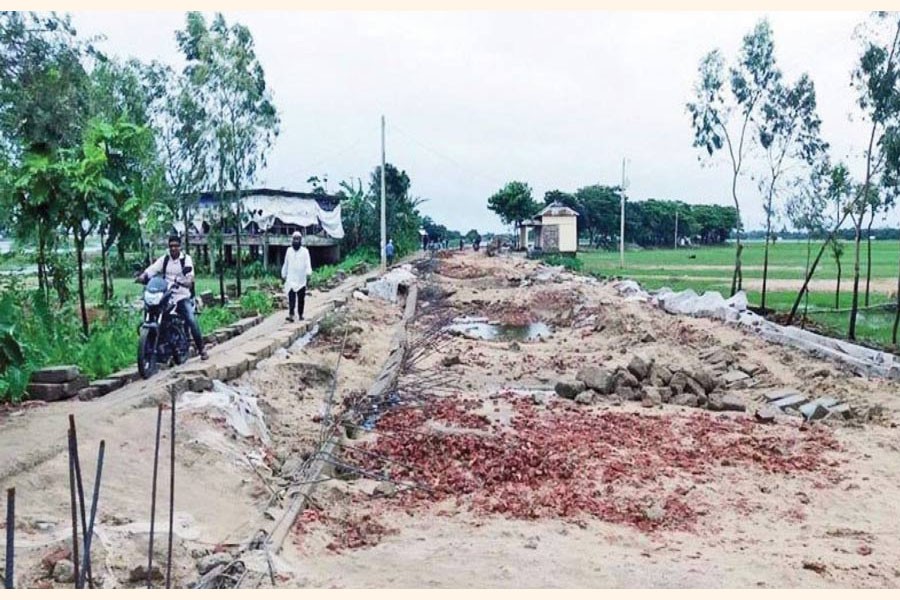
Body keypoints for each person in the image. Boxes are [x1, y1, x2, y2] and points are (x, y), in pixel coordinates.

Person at [136, 234, 208, 360]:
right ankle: (153, 347)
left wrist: (184, 282)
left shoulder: (186, 260)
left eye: (176, 246)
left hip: (181, 295)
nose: (173, 248)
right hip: (165, 294)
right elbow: (152, 270)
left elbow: (190, 278)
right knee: (151, 311)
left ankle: (201, 349)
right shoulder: (164, 259)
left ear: (180, 247)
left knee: (190, 318)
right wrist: (143, 276)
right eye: (171, 246)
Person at [282, 231, 311, 322]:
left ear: (300, 240)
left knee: (301, 299)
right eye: (294, 239)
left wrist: (308, 272)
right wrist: (284, 273)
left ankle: (301, 314)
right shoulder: (289, 251)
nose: (296, 241)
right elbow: (286, 263)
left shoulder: (305, 251)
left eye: (297, 239)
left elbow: (307, 263)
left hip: (301, 278)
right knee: (291, 297)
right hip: (291, 278)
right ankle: (291, 314)